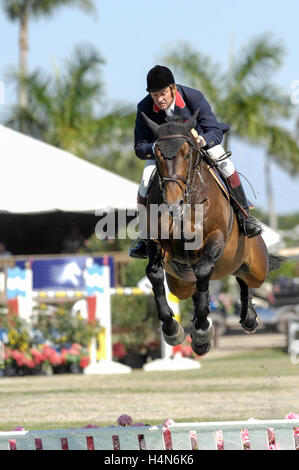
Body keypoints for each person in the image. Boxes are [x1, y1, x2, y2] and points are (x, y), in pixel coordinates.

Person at [130, 65, 262, 259]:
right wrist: (154, 149)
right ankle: (144, 236)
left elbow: (214, 131)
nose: (159, 99)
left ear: (173, 89)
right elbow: (139, 145)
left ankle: (244, 217)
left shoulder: (194, 98)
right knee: (144, 182)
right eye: (154, 95)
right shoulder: (144, 108)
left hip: (197, 147)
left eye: (163, 93)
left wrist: (202, 140)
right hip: (164, 157)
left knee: (226, 164)